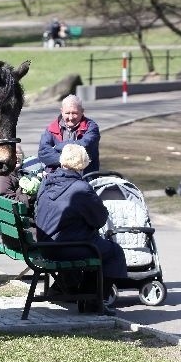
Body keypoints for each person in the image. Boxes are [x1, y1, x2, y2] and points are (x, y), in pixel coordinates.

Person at [34, 144, 127, 315]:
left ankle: (79, 295)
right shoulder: (81, 189)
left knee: (97, 248)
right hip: (66, 247)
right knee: (113, 252)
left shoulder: (46, 182)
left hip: (44, 245)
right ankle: (93, 302)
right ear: (83, 164)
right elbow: (99, 219)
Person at [38, 94, 100, 174]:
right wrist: (67, 159)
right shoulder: (52, 128)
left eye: (74, 113)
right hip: (56, 177)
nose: (70, 118)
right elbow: (43, 153)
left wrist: (56, 148)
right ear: (62, 111)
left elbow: (85, 145)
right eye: (67, 113)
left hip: (85, 177)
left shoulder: (91, 127)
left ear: (82, 111)